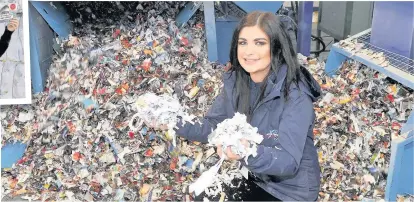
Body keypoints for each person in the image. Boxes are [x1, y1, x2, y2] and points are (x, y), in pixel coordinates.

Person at [150, 11, 322, 201]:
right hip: (254, 176)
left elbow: (288, 161)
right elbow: (214, 125)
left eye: (259, 43)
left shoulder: (296, 95)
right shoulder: (237, 82)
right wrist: (175, 122)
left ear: (276, 47)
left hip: (289, 192)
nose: (249, 51)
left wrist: (247, 151)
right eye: (243, 42)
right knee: (200, 196)